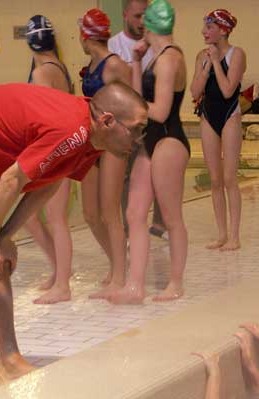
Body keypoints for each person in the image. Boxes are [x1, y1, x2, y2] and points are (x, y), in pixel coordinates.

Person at [0, 82, 148, 390]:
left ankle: (10, 359)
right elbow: (12, 180)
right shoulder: (71, 130)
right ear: (107, 121)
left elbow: (50, 182)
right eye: (136, 129)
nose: (139, 139)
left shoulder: (89, 139)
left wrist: (3, 237)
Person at [110, 0, 190, 304]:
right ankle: (135, 286)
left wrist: (130, 108)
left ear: (150, 25)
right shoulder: (155, 56)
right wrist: (134, 61)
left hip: (169, 140)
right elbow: (138, 97)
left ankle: (176, 283)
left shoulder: (169, 58)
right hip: (151, 140)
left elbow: (161, 111)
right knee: (134, 214)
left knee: (171, 218)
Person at [20, 15, 76, 304]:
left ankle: (63, 284)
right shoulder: (59, 67)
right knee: (30, 216)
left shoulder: (44, 72)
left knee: (55, 219)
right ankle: (58, 271)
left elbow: (43, 118)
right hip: (59, 149)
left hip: (54, 151)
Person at [78, 9, 133, 299]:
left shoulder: (115, 65)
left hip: (112, 144)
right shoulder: (91, 65)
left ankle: (120, 277)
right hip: (92, 143)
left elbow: (133, 106)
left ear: (85, 36)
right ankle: (116, 263)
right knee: (90, 214)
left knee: (110, 213)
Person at [108, 0, 166, 240]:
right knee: (125, 176)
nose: (142, 22)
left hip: (153, 116)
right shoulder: (113, 45)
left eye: (146, 16)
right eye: (137, 16)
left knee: (161, 172)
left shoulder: (156, 45)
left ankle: (160, 224)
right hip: (125, 121)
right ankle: (129, 227)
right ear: (125, 15)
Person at [191, 9, 246, 251]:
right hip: (208, 116)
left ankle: (235, 236)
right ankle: (222, 235)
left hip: (230, 115)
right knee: (214, 180)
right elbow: (195, 92)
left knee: (229, 178)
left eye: (209, 27)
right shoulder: (200, 56)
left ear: (223, 30)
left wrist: (215, 61)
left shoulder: (237, 54)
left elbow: (227, 90)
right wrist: (205, 67)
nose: (204, 31)